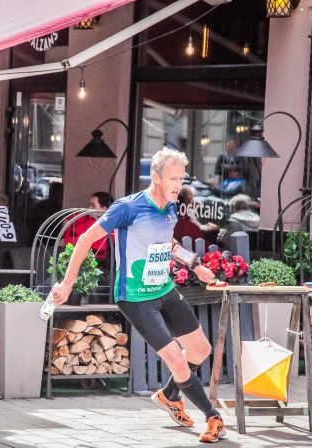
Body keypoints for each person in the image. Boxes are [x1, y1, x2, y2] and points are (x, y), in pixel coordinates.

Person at [52, 148, 226, 443]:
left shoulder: (170, 207)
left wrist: (195, 265)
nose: (178, 185)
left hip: (165, 290)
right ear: (156, 178)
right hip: (135, 297)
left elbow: (168, 243)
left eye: (182, 178)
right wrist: (67, 283)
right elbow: (84, 239)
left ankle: (170, 395)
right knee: (176, 358)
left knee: (200, 350)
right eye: (173, 178)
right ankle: (213, 417)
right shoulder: (127, 208)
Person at [63, 191, 112, 260]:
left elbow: (100, 246)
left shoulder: (106, 223)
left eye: (93, 205)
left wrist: (70, 240)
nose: (89, 208)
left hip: (95, 261)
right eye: (90, 205)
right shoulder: (87, 218)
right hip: (81, 256)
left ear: (104, 209)